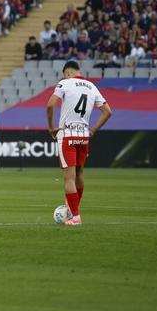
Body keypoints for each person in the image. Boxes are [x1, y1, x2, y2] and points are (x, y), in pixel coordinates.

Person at [46, 60, 112, 226]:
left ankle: (75, 216)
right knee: (79, 174)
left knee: (69, 177)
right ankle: (72, 209)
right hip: (83, 136)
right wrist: (93, 130)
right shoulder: (92, 87)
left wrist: (51, 127)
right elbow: (107, 112)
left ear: (67, 73)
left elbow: (50, 105)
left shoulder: (65, 83)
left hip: (67, 135)